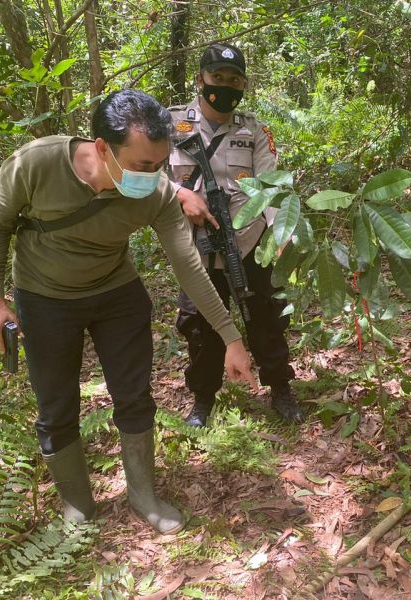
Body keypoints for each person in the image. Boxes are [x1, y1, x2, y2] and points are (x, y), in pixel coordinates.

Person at [0, 89, 257, 534]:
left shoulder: (158, 195)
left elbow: (189, 268)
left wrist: (232, 339)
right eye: (143, 165)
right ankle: (78, 504)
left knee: (133, 394)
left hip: (115, 292)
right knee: (56, 404)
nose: (153, 176)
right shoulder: (37, 163)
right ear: (103, 148)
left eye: (160, 165)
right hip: (44, 295)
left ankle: (143, 495)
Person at [166, 42, 302, 427]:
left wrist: (280, 232)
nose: (224, 86)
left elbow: (270, 187)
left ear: (243, 84)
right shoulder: (170, 123)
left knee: (267, 317)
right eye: (217, 78)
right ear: (200, 79)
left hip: (249, 241)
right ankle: (203, 398)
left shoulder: (254, 129)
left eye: (233, 80)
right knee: (201, 324)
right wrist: (179, 194)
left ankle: (280, 388)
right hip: (197, 247)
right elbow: (143, 173)